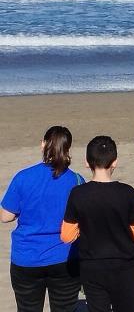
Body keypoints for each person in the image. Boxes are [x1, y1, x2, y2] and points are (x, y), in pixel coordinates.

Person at [1, 126, 83, 312]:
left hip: (27, 258)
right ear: (67, 149)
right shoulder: (77, 180)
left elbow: (6, 216)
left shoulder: (23, 177)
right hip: (65, 258)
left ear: (43, 145)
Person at [61, 136, 134, 312]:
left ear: (87, 162)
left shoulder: (78, 194)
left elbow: (66, 236)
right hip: (124, 265)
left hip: (92, 266)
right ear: (114, 162)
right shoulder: (127, 192)